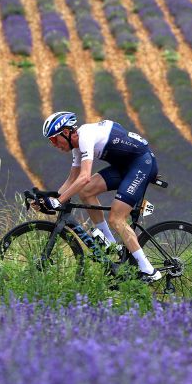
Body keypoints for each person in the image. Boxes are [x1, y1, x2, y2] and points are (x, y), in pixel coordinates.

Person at [40, 111, 161, 281]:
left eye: (54, 139)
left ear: (66, 133)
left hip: (142, 164)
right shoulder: (77, 148)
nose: (53, 144)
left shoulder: (85, 136)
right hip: (125, 167)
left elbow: (84, 177)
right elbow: (72, 179)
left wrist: (58, 201)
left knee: (116, 219)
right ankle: (111, 245)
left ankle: (149, 270)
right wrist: (48, 198)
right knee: (86, 191)